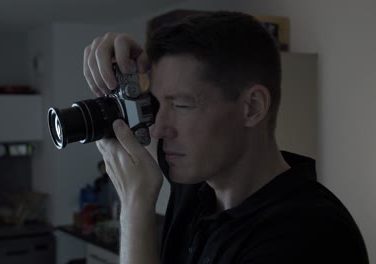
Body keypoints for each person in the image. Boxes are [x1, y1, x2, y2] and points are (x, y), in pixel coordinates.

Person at [82, 9, 369, 264]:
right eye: (157, 104)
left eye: (181, 105)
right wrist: (116, 67)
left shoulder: (310, 235)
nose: (158, 129)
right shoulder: (197, 189)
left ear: (252, 107)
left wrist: (135, 206)